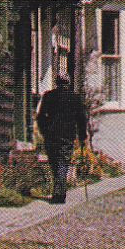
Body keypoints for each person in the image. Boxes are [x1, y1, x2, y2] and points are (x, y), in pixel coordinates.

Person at [37, 75, 87, 204]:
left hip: (51, 135)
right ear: (68, 83)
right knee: (63, 163)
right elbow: (81, 119)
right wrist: (82, 136)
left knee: (54, 163)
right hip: (67, 135)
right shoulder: (75, 98)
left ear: (56, 83)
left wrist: (44, 131)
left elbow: (41, 116)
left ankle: (59, 192)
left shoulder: (48, 96)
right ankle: (59, 193)